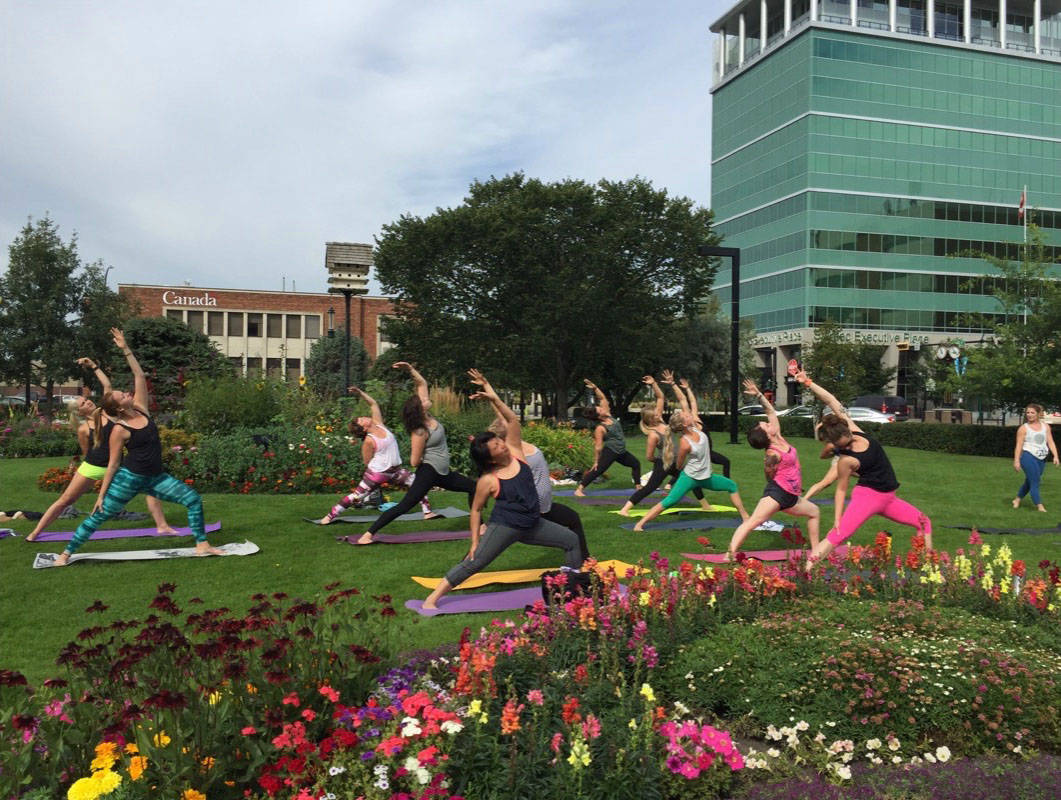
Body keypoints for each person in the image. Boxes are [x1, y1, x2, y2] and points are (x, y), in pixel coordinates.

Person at [54, 329, 225, 565]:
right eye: (121, 395)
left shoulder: (141, 409)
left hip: (156, 477)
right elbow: (113, 464)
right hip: (129, 478)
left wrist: (126, 349)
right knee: (98, 516)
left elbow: (139, 376)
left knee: (193, 499)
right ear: (119, 408)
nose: (126, 393)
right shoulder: (119, 429)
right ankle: (65, 554)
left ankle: (202, 544)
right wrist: (101, 496)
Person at [421, 373, 583, 610]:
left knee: (571, 540)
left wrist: (492, 393)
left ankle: (571, 589)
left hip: (533, 524)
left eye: (498, 441)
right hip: (504, 527)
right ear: (490, 458)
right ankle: (432, 598)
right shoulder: (489, 480)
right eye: (496, 446)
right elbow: (476, 510)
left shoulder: (516, 452)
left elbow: (512, 419)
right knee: (475, 562)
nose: (501, 445)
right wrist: (475, 540)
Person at [28, 357, 174, 542]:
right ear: (79, 412)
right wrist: (82, 468)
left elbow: (107, 385)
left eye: (86, 399)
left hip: (116, 466)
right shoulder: (82, 429)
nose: (88, 402)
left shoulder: (108, 412)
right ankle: (35, 532)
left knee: (150, 486)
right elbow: (85, 452)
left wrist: (94, 366)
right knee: (65, 500)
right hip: (92, 466)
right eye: (83, 403)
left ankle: (162, 525)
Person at [798, 368, 931, 570]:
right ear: (836, 445)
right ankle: (806, 572)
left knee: (923, 523)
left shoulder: (854, 429)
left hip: (889, 498)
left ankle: (927, 568)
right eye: (844, 445)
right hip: (868, 497)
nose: (849, 444)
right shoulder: (846, 461)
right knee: (838, 535)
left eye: (848, 439)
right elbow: (841, 489)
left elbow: (831, 400)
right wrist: (837, 519)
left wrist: (808, 382)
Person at [472, 369, 590, 562]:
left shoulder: (517, 443)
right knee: (570, 522)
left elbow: (504, 414)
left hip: (545, 505)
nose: (506, 423)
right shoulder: (511, 451)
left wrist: (487, 387)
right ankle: (466, 565)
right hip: (536, 507)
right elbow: (505, 419)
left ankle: (584, 559)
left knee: (572, 520)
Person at [353, 362, 475, 545]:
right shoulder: (419, 431)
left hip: (442, 472)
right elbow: (414, 461)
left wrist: (410, 369)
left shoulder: (429, 416)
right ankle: (368, 534)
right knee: (405, 505)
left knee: (473, 488)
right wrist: (427, 461)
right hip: (429, 472)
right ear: (420, 408)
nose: (426, 399)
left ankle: (480, 525)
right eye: (423, 401)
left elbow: (422, 384)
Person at [632, 376, 750, 532]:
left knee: (731, 485)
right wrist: (682, 474)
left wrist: (674, 384)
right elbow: (680, 464)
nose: (688, 414)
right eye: (685, 416)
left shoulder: (694, 426)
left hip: (706, 477)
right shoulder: (685, 442)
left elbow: (685, 401)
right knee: (670, 501)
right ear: (683, 424)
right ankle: (640, 524)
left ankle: (745, 516)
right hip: (690, 478)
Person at [724, 379, 820, 559]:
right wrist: (782, 483)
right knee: (753, 521)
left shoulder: (778, 437)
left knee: (814, 512)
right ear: (766, 435)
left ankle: (815, 552)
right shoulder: (772, 454)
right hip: (777, 494)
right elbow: (769, 474)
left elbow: (770, 411)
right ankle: (729, 554)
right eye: (765, 425)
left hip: (791, 496)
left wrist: (759, 394)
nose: (768, 423)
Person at [317, 386, 434, 524]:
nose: (364, 417)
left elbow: (373, 404)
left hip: (396, 471)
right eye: (361, 420)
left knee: (418, 484)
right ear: (364, 428)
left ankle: (427, 512)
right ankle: (330, 516)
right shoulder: (369, 440)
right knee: (356, 497)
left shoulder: (379, 425)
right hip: (377, 473)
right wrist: (374, 479)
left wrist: (360, 393)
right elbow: (367, 461)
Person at [618, 374, 711, 516]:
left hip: (675, 461)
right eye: (655, 415)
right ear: (650, 420)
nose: (659, 415)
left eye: (657, 413)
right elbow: (649, 456)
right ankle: (625, 509)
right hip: (663, 463)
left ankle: (705, 505)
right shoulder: (653, 434)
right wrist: (660, 461)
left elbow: (660, 397)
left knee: (690, 479)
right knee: (650, 487)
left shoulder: (661, 422)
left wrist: (653, 383)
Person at [574, 379, 642, 497]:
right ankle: (579, 489)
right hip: (610, 451)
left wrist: (595, 388)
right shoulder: (600, 428)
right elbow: (598, 446)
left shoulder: (609, 415)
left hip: (621, 451)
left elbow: (603, 399)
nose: (602, 408)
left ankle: (638, 486)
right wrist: (596, 461)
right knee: (598, 470)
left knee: (636, 464)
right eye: (600, 409)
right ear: (599, 416)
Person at [1012, 403, 1059, 512]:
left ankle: (1017, 499)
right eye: (1027, 412)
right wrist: (1017, 461)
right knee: (1035, 482)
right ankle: (1039, 506)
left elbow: (1050, 442)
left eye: (1032, 412)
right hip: (1028, 457)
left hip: (1042, 458)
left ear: (1038, 414)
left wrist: (1056, 456)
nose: (1029, 415)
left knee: (1029, 481)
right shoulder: (1023, 428)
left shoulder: (1046, 426)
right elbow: (1018, 446)